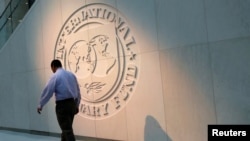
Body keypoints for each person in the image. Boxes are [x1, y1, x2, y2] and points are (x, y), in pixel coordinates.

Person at [37, 59, 81, 141]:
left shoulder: (55, 76)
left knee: (67, 130)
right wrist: (77, 104)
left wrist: (41, 104)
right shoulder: (71, 75)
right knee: (66, 128)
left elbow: (48, 91)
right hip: (72, 104)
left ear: (53, 66)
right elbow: (77, 90)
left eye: (52, 69)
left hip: (62, 106)